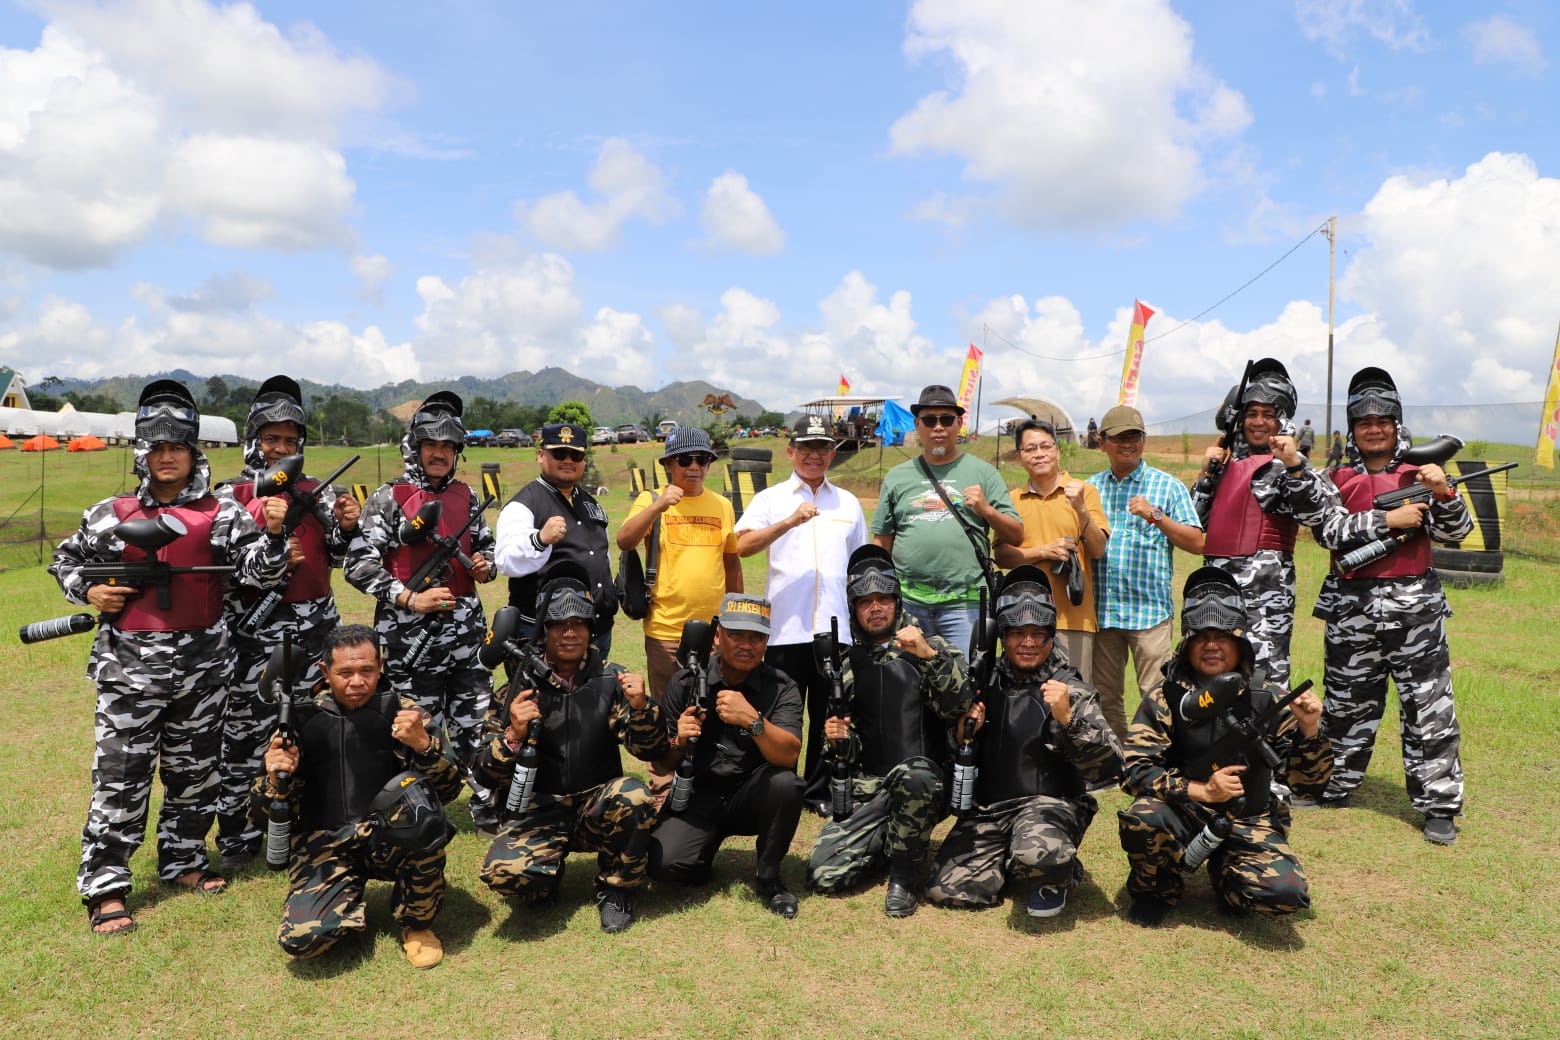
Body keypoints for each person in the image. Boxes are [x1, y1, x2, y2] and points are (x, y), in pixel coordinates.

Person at [49, 378, 290, 935]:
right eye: (156, 448)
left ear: (193, 453)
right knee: (121, 778)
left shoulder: (222, 513)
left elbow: (260, 572)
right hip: (128, 670)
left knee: (194, 774)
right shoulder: (110, 513)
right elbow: (66, 562)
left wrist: (273, 534)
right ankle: (106, 885)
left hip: (204, 670)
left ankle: (182, 860)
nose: (166, 458)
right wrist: (89, 592)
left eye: (176, 448)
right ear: (142, 453)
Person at [1302, 367, 1472, 844]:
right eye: (1364, 422)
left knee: (1429, 708)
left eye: (1383, 420)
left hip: (1415, 609)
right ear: (1352, 430)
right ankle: (1333, 783)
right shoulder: (1336, 477)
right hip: (1350, 610)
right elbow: (1326, 532)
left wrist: (1443, 492)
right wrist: (1385, 519)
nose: (1374, 428)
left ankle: (1438, 804)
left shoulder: (1420, 471)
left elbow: (1457, 533)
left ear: (1397, 424)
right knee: (1346, 705)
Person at [1118, 567, 1329, 927]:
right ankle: (1157, 889)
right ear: (1187, 644)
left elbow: (1309, 785)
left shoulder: (1271, 699)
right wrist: (1200, 790)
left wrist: (1310, 729)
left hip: (1248, 817)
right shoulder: (1166, 696)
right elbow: (1134, 770)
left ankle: (1230, 879)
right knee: (1143, 816)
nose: (1211, 645)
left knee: (1285, 895)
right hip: (1183, 810)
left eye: (1222, 637)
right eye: (1201, 637)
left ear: (1240, 644)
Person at [212, 376, 360, 873]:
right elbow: (226, 569)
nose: (280, 448)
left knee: (315, 726)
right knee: (249, 735)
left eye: (290, 441)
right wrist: (272, 541)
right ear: (255, 441)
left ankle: (307, 822)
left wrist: (347, 526)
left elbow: (338, 556)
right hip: (256, 632)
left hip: (319, 625)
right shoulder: (230, 496)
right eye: (271, 439)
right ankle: (239, 835)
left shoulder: (317, 491)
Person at [252, 625, 460, 966]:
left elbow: (450, 789)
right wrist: (277, 779)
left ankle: (417, 924)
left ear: (380, 666)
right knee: (303, 940)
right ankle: (341, 903)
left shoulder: (407, 714)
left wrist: (423, 746)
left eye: (367, 670)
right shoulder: (299, 719)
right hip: (326, 840)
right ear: (325, 671)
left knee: (428, 829)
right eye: (345, 672)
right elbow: (262, 815)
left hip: (392, 834)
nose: (357, 682)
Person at [474, 564, 664, 933]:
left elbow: (647, 748)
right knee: (506, 876)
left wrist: (642, 708)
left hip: (595, 806)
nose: (570, 632)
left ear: (592, 630)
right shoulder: (516, 689)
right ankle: (548, 870)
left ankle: (616, 889)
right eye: (559, 624)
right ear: (543, 631)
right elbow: (482, 772)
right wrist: (512, 735)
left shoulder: (613, 679)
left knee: (635, 795)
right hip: (539, 808)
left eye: (579, 623)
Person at [344, 391, 499, 831]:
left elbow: (485, 550)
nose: (440, 454)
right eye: (431, 446)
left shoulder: (467, 497)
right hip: (410, 641)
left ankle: (486, 802)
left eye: (448, 447)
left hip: (466, 637)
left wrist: (486, 567)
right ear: (415, 448)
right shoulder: (388, 497)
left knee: (475, 721)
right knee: (417, 727)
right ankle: (420, 809)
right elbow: (358, 565)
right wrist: (409, 598)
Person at [926, 568, 1121, 917]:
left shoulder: (1069, 688)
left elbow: (1109, 765)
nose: (1027, 643)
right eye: (1017, 634)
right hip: (990, 809)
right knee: (948, 891)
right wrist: (962, 736)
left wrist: (1068, 720)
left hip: (1049, 804)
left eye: (1037, 635)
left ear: (1050, 636)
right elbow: (958, 754)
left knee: (1037, 855)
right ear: (1003, 635)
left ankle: (1058, 873)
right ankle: (1008, 861)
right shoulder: (984, 680)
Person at [806, 545, 973, 917]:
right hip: (872, 789)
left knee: (915, 774)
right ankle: (898, 838)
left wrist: (928, 657)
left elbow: (960, 705)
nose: (876, 607)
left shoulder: (933, 648)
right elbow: (839, 752)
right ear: (854, 609)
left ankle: (905, 873)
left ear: (897, 602)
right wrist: (839, 741)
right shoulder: (846, 667)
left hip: (927, 783)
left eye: (883, 599)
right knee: (824, 875)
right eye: (866, 601)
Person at [734, 414, 868, 813]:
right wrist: (790, 520)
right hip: (784, 628)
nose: (814, 456)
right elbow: (743, 545)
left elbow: (860, 564)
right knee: (780, 712)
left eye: (822, 448)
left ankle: (818, 791)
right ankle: (772, 786)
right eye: (805, 448)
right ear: (790, 451)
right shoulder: (771, 499)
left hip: (835, 626)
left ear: (832, 453)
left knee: (831, 710)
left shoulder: (848, 502)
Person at [648, 595, 806, 918]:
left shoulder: (782, 687)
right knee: (661, 864)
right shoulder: (687, 681)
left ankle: (769, 878)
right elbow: (664, 761)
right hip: (699, 793)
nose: (747, 645)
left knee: (787, 785)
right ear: (718, 635)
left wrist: (754, 721)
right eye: (737, 635)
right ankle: (700, 857)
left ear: (766, 642)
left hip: (752, 793)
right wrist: (679, 739)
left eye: (757, 637)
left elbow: (789, 754)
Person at [1188, 360, 1337, 686]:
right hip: (1215, 596)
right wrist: (1206, 476)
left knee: (1263, 686)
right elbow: (1194, 523)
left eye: (1268, 414)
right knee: (1209, 683)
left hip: (1265, 604)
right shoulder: (1224, 464)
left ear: (1282, 420)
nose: (1258, 422)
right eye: (1251, 413)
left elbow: (1318, 517)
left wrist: (1295, 466)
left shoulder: (1290, 466)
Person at [616, 425, 742, 803]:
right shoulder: (651, 498)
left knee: (715, 705)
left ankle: (709, 776)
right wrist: (658, 506)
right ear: (669, 463)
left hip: (716, 631)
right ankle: (663, 783)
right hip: (668, 629)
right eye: (685, 460)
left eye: (702, 459)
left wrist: (732, 619)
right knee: (669, 710)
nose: (694, 467)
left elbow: (732, 563)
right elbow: (624, 540)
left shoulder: (721, 505)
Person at [871, 384, 1023, 651]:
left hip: (965, 604)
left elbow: (1016, 535)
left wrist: (986, 510)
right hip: (908, 602)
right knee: (905, 684)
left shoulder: (984, 473)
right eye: (929, 420)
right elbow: (882, 542)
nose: (938, 427)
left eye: (946, 419)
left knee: (964, 684)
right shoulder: (897, 476)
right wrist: (881, 594)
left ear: (959, 423)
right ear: (917, 425)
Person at [1085, 405, 1204, 741]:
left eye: (1134, 436)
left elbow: (1196, 542)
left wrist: (1156, 516)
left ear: (1143, 440)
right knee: (1106, 695)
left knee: (1158, 693)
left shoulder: (1166, 486)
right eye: (1119, 437)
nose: (1128, 443)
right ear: (1101, 441)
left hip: (1149, 613)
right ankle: (1121, 758)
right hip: (1104, 612)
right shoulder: (1090, 489)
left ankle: (1159, 757)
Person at [994, 419, 1110, 682]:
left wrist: (1080, 508)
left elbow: (1098, 548)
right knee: (1024, 701)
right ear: (1019, 456)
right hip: (1022, 621)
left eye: (1045, 446)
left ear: (1058, 450)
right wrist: (1043, 551)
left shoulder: (1085, 492)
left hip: (1073, 619)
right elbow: (1001, 556)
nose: (1039, 454)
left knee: (1074, 702)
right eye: (1030, 448)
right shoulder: (1011, 500)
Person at [494, 422, 618, 655]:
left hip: (595, 629)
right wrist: (539, 539)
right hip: (543, 633)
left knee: (592, 692)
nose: (568, 460)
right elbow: (505, 560)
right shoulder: (524, 504)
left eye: (576, 455)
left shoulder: (591, 504)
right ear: (541, 455)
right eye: (559, 453)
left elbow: (603, 556)